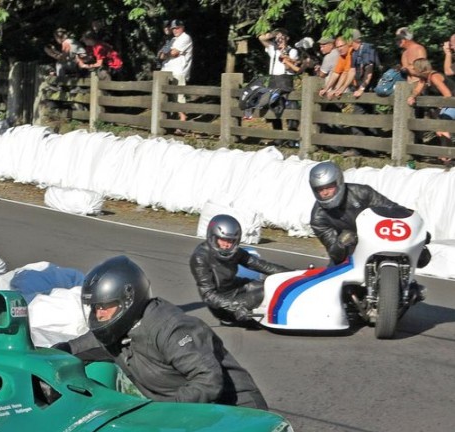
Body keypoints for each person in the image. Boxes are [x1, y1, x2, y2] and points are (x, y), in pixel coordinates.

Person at [53, 256, 269, 409]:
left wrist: (164, 414)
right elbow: (73, 349)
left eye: (105, 307)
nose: (99, 315)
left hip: (238, 411)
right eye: (95, 308)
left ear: (127, 300)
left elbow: (207, 379)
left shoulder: (171, 328)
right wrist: (43, 355)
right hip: (192, 414)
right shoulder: (114, 332)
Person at [308, 161, 432, 268]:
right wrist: (341, 243)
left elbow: (393, 209)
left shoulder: (362, 193)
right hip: (351, 252)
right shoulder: (318, 218)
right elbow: (334, 253)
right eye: (320, 189)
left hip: (381, 239)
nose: (325, 193)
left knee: (421, 257)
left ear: (338, 182)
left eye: (329, 187)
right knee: (333, 278)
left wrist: (414, 230)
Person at [190, 215, 289, 325]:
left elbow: (261, 265)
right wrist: (235, 307)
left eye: (231, 241)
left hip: (236, 288)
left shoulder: (234, 252)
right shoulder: (200, 257)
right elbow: (208, 295)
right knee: (264, 292)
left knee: (271, 285)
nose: (227, 245)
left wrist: (293, 273)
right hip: (224, 305)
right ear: (213, 237)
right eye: (224, 240)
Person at [408, 58, 454, 157]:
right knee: (439, 130)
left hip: (452, 103)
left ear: (420, 69)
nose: (412, 71)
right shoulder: (424, 78)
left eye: (414, 68)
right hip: (446, 106)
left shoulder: (434, 77)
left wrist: (439, 106)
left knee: (443, 126)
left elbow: (448, 95)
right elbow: (417, 90)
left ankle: (447, 155)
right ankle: (447, 156)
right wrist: (412, 96)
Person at [258, 28, 301, 131]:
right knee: (273, 107)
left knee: (290, 107)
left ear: (288, 38)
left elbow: (288, 67)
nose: (280, 39)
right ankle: (277, 135)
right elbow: (261, 38)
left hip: (285, 80)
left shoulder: (292, 51)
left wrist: (284, 54)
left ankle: (292, 133)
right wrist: (273, 34)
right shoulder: (272, 48)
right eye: (278, 37)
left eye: (283, 37)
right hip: (273, 80)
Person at [160, 19, 193, 123]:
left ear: (182, 27)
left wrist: (167, 53)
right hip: (166, 70)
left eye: (177, 28)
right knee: (166, 96)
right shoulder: (173, 39)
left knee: (179, 96)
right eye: (173, 28)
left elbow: (173, 53)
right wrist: (168, 53)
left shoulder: (185, 37)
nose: (175, 30)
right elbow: (160, 55)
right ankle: (169, 120)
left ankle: (182, 121)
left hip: (179, 70)